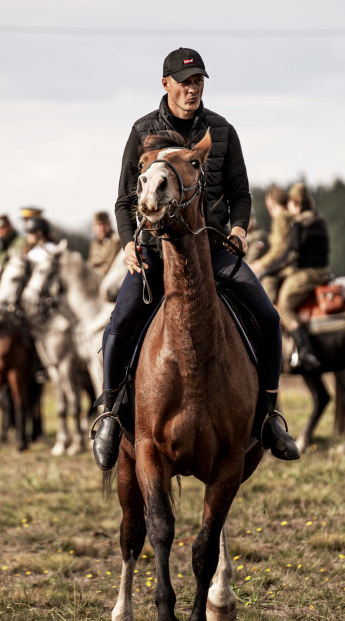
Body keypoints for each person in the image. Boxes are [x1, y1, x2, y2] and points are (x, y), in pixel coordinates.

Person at [92, 47, 300, 470]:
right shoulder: (142, 130)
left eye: (198, 81)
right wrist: (127, 243)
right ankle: (110, 414)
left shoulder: (222, 131)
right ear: (165, 84)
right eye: (185, 81)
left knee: (269, 318)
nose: (193, 88)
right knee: (119, 323)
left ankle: (270, 416)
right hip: (153, 252)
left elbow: (241, 195)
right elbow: (123, 200)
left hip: (214, 250)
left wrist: (239, 230)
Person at [268, 183, 329, 371]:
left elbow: (290, 254)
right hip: (323, 271)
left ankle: (305, 351)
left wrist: (269, 270)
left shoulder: (300, 223)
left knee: (284, 305)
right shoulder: (319, 219)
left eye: (291, 204)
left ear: (296, 203)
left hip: (307, 273)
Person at [249, 185, 293, 303]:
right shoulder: (289, 215)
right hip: (288, 263)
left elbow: (279, 249)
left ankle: (268, 315)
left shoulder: (281, 218)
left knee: (261, 281)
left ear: (272, 204)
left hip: (285, 266)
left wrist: (260, 264)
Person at [87, 210, 121, 277]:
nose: (102, 228)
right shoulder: (95, 243)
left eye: (104, 224)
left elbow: (110, 265)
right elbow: (90, 263)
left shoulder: (116, 241)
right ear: (93, 227)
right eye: (99, 225)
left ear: (109, 224)